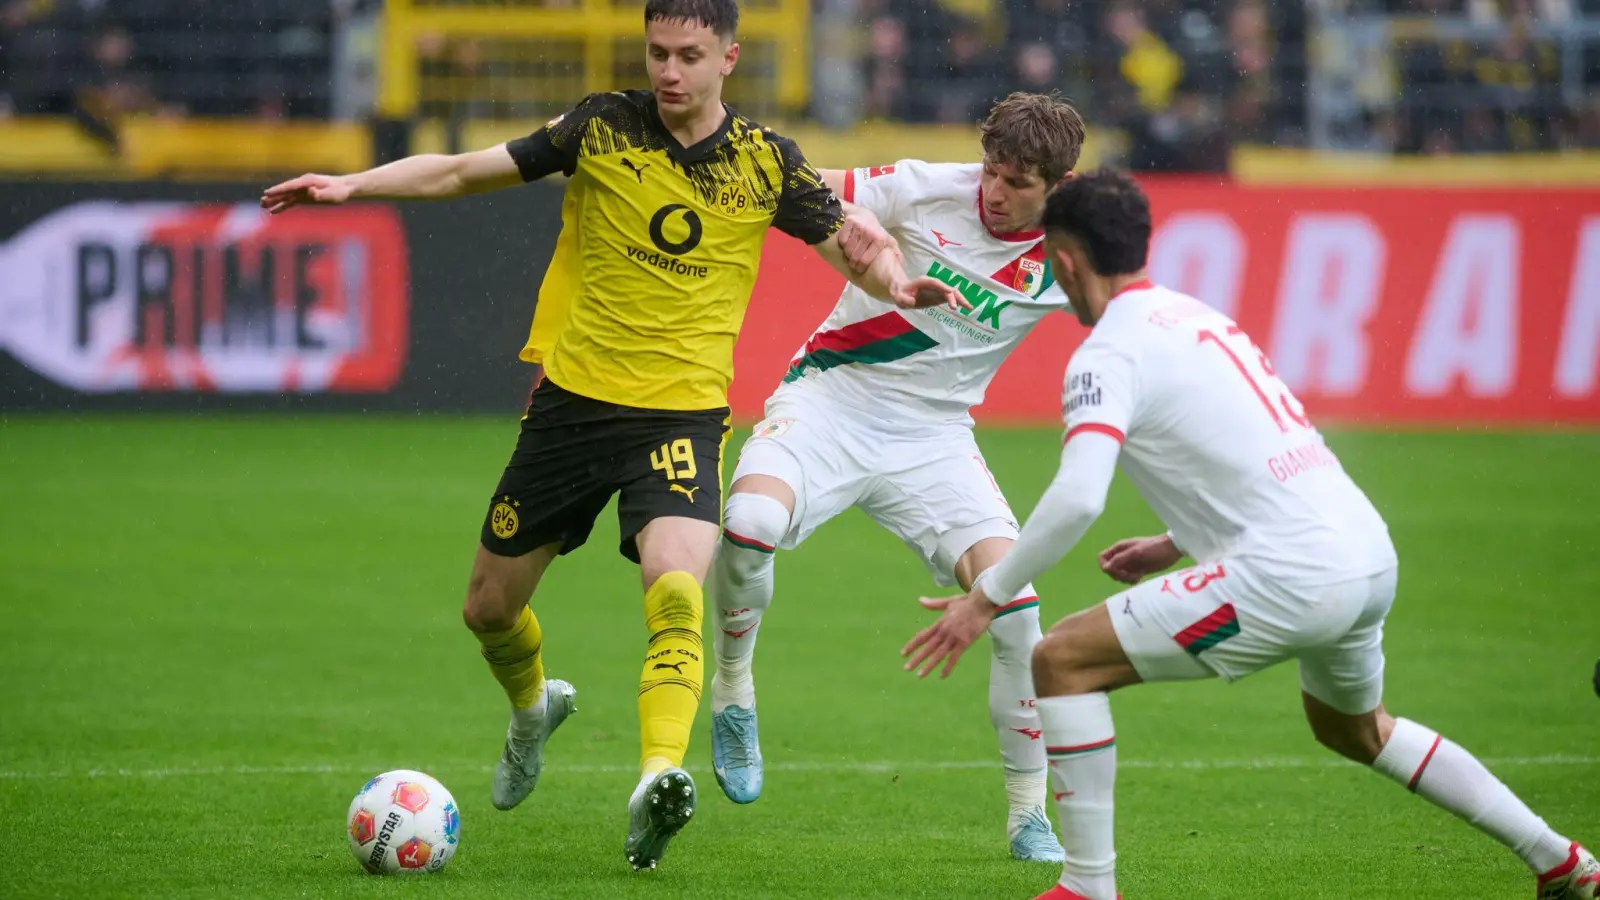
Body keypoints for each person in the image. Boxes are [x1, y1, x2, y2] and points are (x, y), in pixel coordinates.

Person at [261, 0, 958, 871]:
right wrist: (351, 185)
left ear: (728, 59)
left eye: (689, 55)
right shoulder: (600, 127)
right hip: (572, 409)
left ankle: (658, 778)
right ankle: (530, 710)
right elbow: (460, 174)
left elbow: (853, 241)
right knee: (488, 609)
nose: (670, 70)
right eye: (658, 52)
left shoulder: (765, 162)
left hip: (680, 416)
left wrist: (898, 284)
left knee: (675, 589)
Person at [900, 169, 1598, 900]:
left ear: (1066, 262)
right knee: (1356, 730)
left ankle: (1086, 887)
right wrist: (1175, 540)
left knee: (1061, 660)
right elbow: (1259, 443)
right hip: (1363, 553)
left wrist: (986, 597)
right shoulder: (1199, 318)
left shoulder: (1107, 353)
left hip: (1288, 574)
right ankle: (1560, 860)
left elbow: (1077, 498)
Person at [707, 92, 1086, 862]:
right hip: (830, 404)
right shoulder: (922, 187)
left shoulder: (1071, 256)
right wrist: (846, 219)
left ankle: (1026, 816)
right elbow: (801, 185)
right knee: (748, 528)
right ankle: (733, 688)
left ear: (1058, 185)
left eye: (1017, 182)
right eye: (990, 170)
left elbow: (1139, 323)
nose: (993, 192)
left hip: (934, 442)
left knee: (1017, 617)